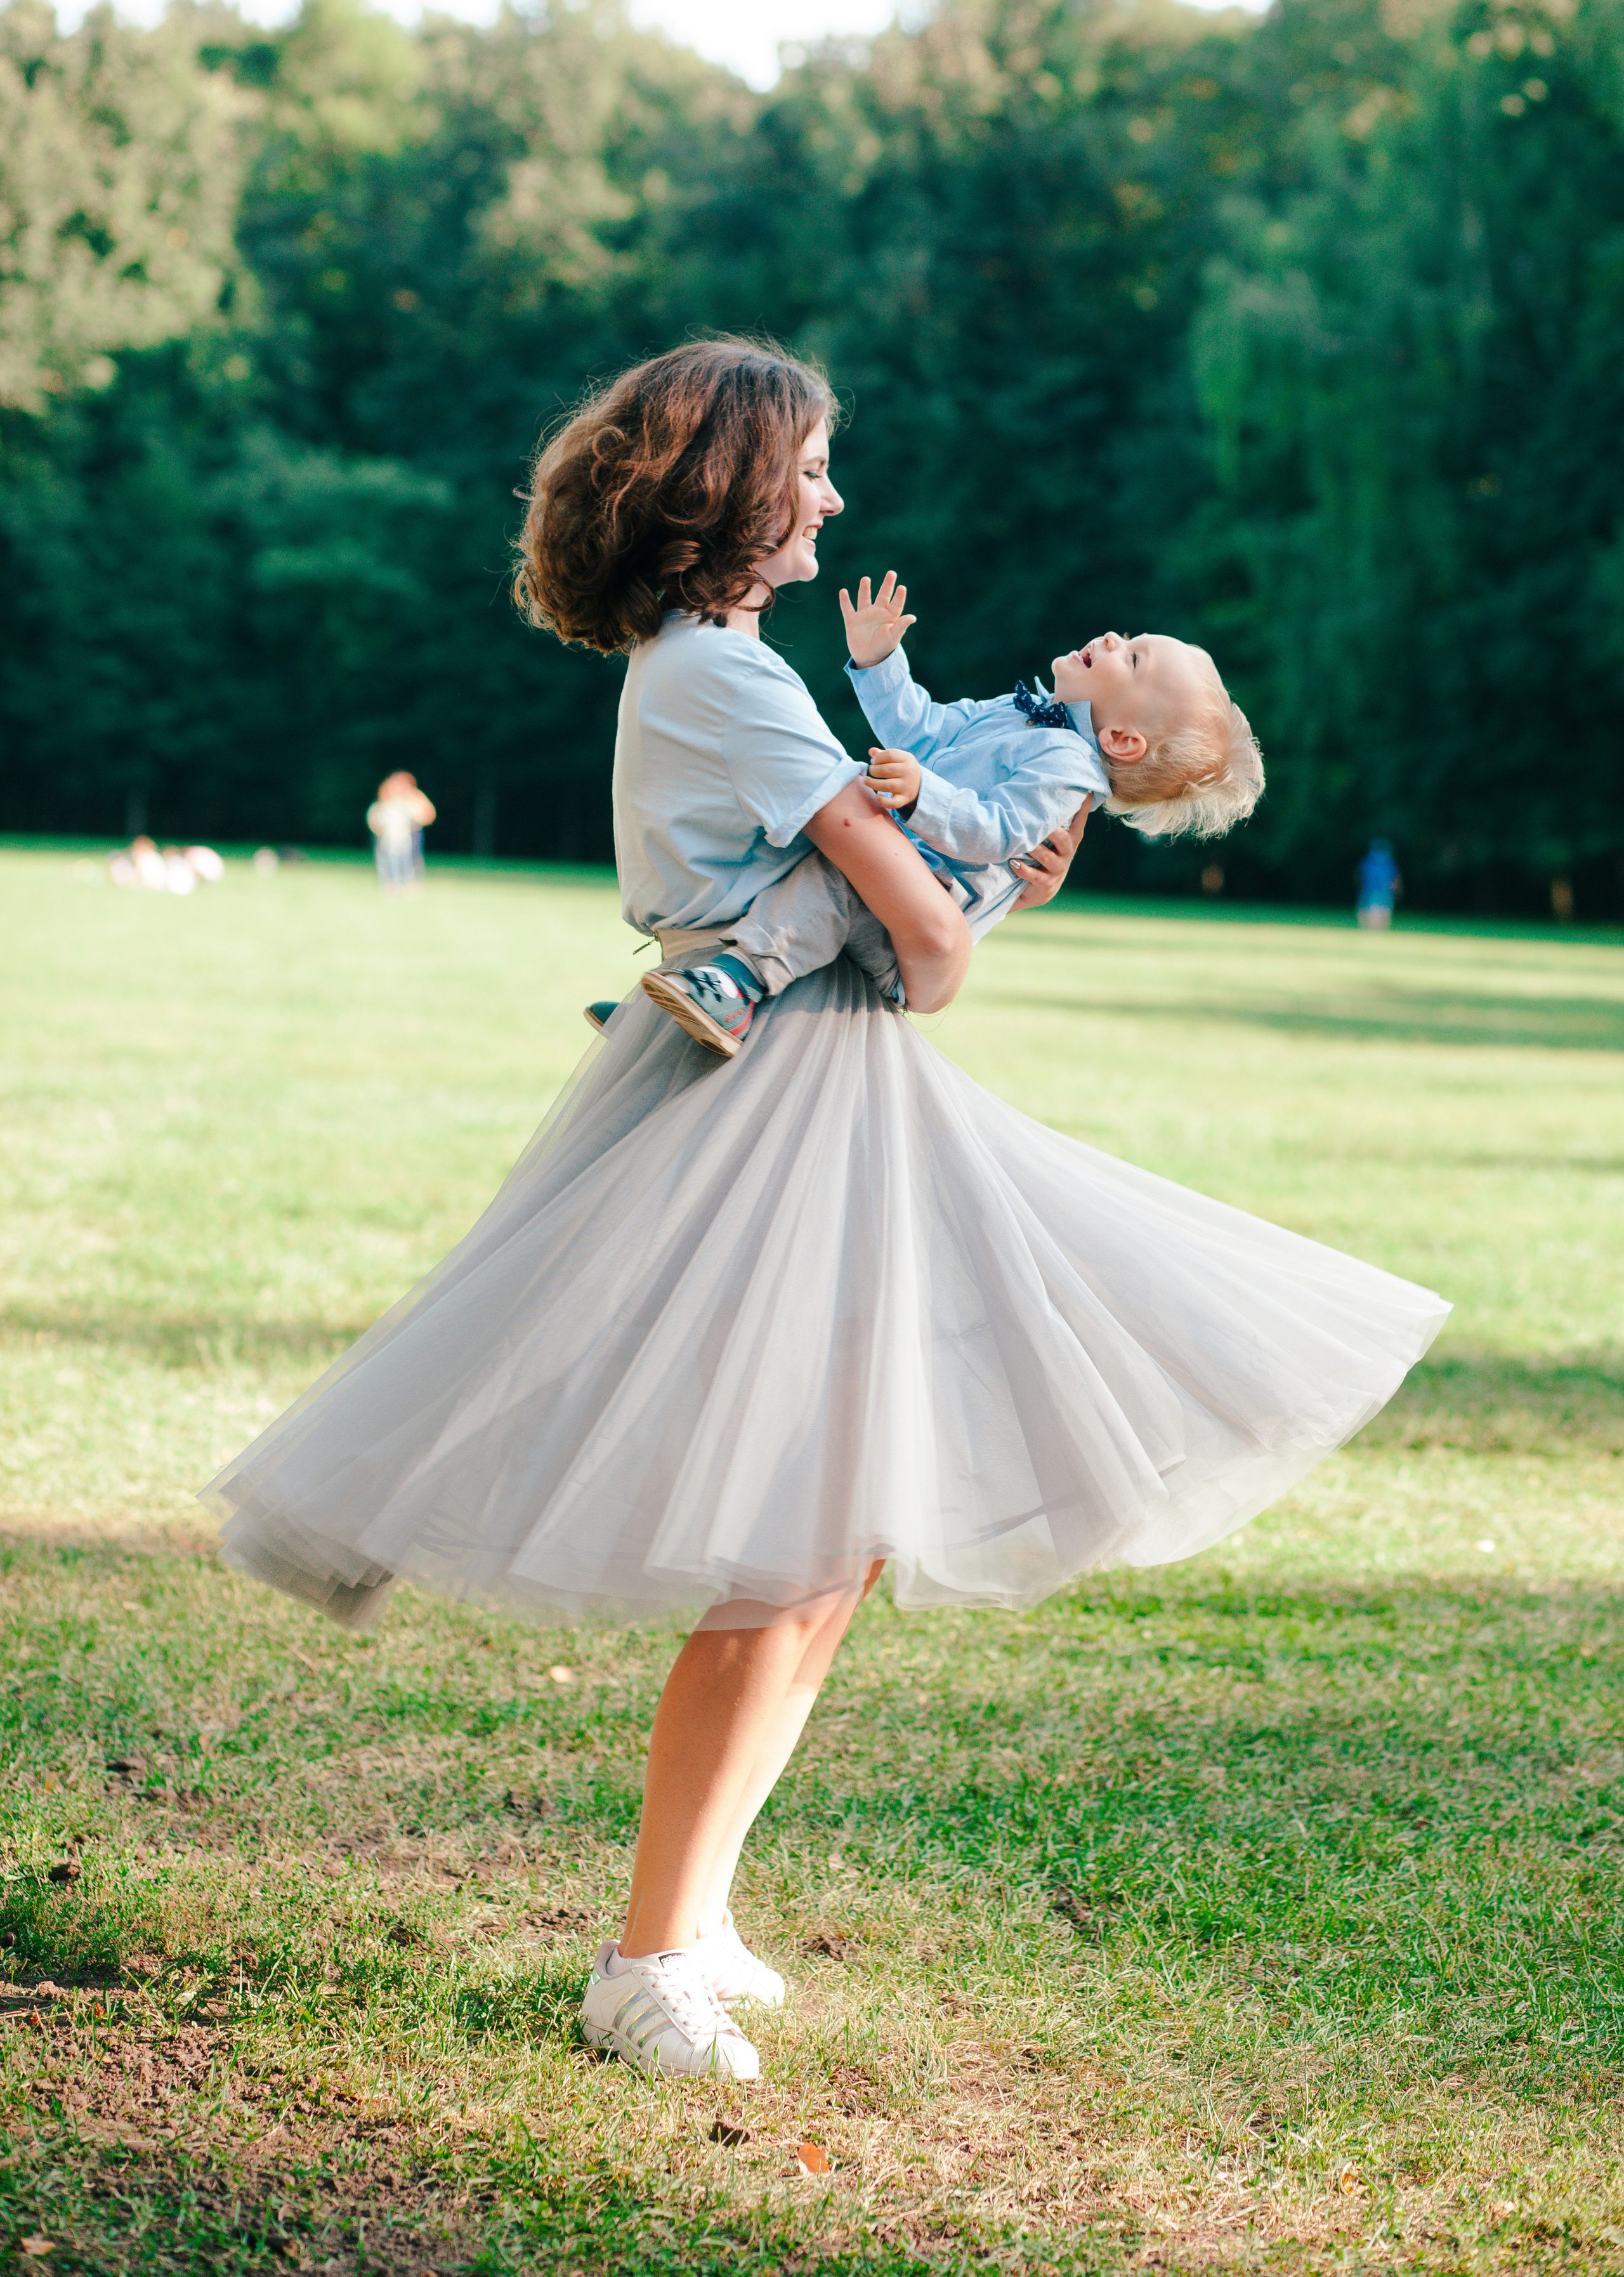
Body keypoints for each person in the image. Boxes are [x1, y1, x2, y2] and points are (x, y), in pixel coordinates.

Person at [204, 338, 1448, 2089]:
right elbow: (924, 952)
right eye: (808, 470)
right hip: (772, 1094)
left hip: (819, 1082)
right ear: (725, 490)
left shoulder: (731, 670)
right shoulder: (734, 683)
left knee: (836, 1534)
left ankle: (696, 1913)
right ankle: (646, 1958)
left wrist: (984, 886)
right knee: (789, 1537)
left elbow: (919, 903)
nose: (832, 497)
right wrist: (980, 908)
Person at [640, 578, 1262, 1056]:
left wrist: (921, 796)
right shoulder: (1022, 712)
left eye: (1133, 660)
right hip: (900, 869)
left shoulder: (1068, 768)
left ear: (1122, 741)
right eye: (1128, 638)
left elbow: (993, 834)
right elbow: (925, 728)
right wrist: (880, 662)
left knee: (831, 881)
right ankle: (678, 1016)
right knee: (795, 844)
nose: (1111, 640)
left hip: (915, 913)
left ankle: (734, 987)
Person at [367, 772, 436, 894]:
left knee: (409, 861)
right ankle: (391, 883)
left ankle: (410, 884)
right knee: (389, 860)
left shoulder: (413, 799)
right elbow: (375, 816)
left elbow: (428, 815)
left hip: (408, 837)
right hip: (388, 837)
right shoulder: (386, 800)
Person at [1356, 838, 1401, 928]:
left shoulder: (1387, 862)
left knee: (1379, 909)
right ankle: (1373, 928)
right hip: (1374, 889)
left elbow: (1359, 875)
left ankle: (1376, 928)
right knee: (1375, 909)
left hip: (1381, 890)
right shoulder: (1371, 860)